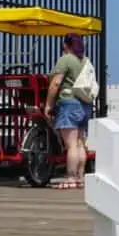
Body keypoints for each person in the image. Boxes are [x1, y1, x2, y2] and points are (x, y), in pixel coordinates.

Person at [44, 34, 91, 189]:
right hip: (84, 104)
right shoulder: (84, 61)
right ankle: (80, 177)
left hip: (69, 103)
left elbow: (56, 82)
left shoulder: (66, 59)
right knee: (79, 142)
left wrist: (49, 104)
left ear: (66, 45)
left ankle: (70, 177)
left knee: (70, 144)